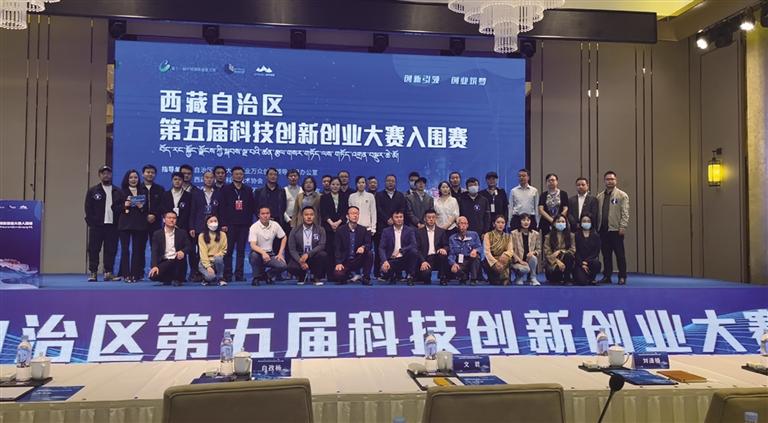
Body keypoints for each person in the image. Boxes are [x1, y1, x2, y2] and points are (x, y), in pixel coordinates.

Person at [85, 165, 123, 281]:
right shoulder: (93, 191)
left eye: (108, 173)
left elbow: (121, 208)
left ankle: (108, 272)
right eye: (103, 173)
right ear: (99, 175)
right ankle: (93, 272)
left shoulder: (118, 191)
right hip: (97, 226)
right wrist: (92, 222)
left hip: (112, 226)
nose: (106, 175)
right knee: (94, 249)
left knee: (111, 250)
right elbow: (88, 208)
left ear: (111, 175)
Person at [219, 166, 255, 282]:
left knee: (241, 251)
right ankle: (228, 274)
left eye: (241, 174)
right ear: (232, 176)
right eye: (236, 174)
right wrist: (223, 223)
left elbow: (251, 207)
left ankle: (239, 274)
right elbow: (222, 208)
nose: (239, 176)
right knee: (228, 251)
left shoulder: (248, 189)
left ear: (243, 175)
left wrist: (249, 223)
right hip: (229, 225)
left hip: (244, 225)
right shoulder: (226, 189)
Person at [596, 170, 630, 285]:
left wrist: (623, 226)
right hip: (603, 230)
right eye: (607, 179)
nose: (610, 181)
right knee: (606, 255)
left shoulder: (622, 195)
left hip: (616, 230)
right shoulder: (600, 196)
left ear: (616, 180)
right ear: (604, 181)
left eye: (612, 179)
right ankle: (607, 276)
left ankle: (622, 276)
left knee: (620, 255)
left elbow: (625, 212)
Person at [188, 170, 220, 282]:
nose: (209, 179)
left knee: (213, 250)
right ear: (203, 179)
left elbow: (221, 211)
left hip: (214, 226)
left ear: (214, 179)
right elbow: (192, 211)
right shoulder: (197, 193)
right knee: (198, 251)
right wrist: (191, 227)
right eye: (207, 177)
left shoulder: (218, 193)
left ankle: (213, 273)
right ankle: (196, 273)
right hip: (199, 226)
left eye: (211, 177)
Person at [117, 169, 148, 283]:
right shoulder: (121, 192)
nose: (133, 179)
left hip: (139, 225)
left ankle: (135, 274)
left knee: (137, 250)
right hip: (125, 225)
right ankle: (126, 274)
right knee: (125, 250)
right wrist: (124, 205)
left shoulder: (143, 191)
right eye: (131, 177)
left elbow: (147, 209)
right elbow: (114, 208)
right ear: (127, 179)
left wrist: (141, 207)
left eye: (135, 177)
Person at [375, 174, 407, 277]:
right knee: (382, 249)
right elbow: (378, 209)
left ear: (395, 183)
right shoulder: (379, 195)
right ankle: (380, 273)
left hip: (397, 226)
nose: (390, 183)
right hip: (382, 227)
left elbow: (402, 209)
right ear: (385, 182)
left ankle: (398, 273)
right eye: (388, 180)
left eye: (392, 181)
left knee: (397, 248)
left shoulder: (400, 195)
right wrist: (387, 219)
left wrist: (395, 219)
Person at [287, 206, 328, 286]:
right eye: (306, 215)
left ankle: (316, 277)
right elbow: (292, 249)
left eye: (311, 214)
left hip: (313, 257)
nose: (309, 217)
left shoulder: (320, 229)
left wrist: (308, 254)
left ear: (314, 216)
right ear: (302, 216)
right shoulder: (294, 230)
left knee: (323, 255)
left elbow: (321, 245)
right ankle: (301, 276)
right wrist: (300, 261)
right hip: (300, 257)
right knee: (291, 267)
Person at [332, 206, 373, 285]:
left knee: (369, 254)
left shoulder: (363, 229)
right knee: (338, 276)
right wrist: (338, 263)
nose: (355, 215)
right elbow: (337, 248)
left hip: (357, 259)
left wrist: (363, 247)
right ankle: (349, 275)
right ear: (347, 216)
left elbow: (369, 244)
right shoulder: (340, 230)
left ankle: (366, 278)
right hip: (345, 260)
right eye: (352, 213)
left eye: (357, 214)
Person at [148, 210, 191, 286]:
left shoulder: (182, 233)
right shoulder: (157, 234)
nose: (172, 220)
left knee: (177, 262)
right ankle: (169, 277)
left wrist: (183, 251)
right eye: (169, 218)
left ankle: (174, 278)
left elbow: (189, 246)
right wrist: (154, 266)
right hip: (164, 261)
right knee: (153, 276)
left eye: (174, 218)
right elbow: (154, 251)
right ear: (164, 220)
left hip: (177, 261)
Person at [248, 206, 287, 285]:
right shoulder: (254, 227)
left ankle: (266, 276)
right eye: (263, 214)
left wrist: (280, 253)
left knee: (283, 266)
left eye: (267, 213)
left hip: (270, 254)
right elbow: (253, 245)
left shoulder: (275, 224)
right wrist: (263, 253)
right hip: (257, 254)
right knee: (254, 256)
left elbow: (284, 237)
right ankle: (256, 277)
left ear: (270, 214)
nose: (265, 215)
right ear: (259, 215)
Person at [378, 210, 419, 285]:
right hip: (391, 259)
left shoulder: (409, 230)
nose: (399, 219)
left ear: (403, 218)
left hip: (404, 259)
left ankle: (410, 276)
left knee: (414, 252)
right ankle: (391, 275)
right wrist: (384, 261)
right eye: (396, 217)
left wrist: (401, 250)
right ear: (392, 219)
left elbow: (413, 244)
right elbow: (381, 248)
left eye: (401, 217)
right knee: (386, 271)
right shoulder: (386, 231)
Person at [319, 177, 348, 276]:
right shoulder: (324, 197)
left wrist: (338, 223)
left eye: (337, 184)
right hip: (328, 227)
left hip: (341, 227)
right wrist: (331, 223)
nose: (335, 186)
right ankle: (330, 274)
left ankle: (342, 272)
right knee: (329, 250)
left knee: (341, 249)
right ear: (329, 185)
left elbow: (345, 212)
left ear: (340, 186)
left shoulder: (345, 197)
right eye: (333, 184)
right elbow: (323, 213)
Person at [415, 209, 449, 285]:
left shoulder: (441, 231)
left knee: (443, 254)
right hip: (426, 258)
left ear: (436, 218)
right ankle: (426, 276)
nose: (431, 219)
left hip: (437, 257)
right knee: (425, 276)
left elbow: (446, 245)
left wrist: (444, 249)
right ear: (425, 219)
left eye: (433, 217)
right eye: (429, 217)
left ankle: (443, 277)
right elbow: (417, 249)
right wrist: (423, 261)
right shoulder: (419, 232)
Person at [447, 216, 483, 285]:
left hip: (471, 259)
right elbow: (451, 254)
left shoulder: (474, 235)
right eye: (461, 223)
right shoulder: (452, 238)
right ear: (457, 225)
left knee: (476, 257)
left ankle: (473, 279)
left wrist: (475, 250)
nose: (463, 225)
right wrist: (453, 263)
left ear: (468, 225)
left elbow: (480, 247)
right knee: (454, 269)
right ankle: (463, 276)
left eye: (465, 223)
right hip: (460, 260)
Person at [510, 213, 541, 285]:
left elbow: (538, 250)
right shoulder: (513, 233)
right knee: (523, 272)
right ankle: (519, 277)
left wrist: (533, 253)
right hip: (518, 261)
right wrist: (520, 261)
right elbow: (511, 250)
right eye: (523, 220)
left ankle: (532, 277)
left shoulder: (535, 234)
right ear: (520, 221)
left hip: (529, 259)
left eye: (528, 220)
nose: (526, 222)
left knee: (533, 258)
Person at [543, 215, 576, 284]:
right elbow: (547, 253)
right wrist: (557, 261)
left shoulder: (571, 236)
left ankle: (567, 278)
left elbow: (573, 250)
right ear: (554, 223)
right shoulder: (548, 236)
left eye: (563, 222)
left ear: (566, 223)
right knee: (555, 279)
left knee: (569, 256)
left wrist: (561, 251)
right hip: (553, 262)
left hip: (566, 260)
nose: (561, 223)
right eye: (558, 222)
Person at [482, 215, 513, 285]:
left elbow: (510, 250)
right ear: (494, 224)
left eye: (503, 223)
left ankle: (505, 278)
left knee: (508, 258)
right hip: (492, 260)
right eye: (498, 222)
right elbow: (487, 252)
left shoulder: (508, 236)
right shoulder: (488, 235)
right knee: (495, 282)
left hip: (503, 259)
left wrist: (505, 255)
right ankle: (498, 278)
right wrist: (495, 262)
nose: (500, 225)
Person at [198, 214, 227, 286]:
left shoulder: (223, 234)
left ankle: (220, 278)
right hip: (205, 262)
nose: (213, 223)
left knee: (218, 259)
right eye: (211, 221)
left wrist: (218, 255)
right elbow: (203, 253)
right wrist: (208, 266)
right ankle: (205, 278)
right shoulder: (201, 236)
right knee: (211, 277)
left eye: (215, 221)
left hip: (217, 260)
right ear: (207, 223)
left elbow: (224, 249)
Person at [141, 164, 165, 249]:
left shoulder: (160, 189)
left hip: (156, 222)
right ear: (143, 174)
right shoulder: (138, 188)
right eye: (148, 172)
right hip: (141, 223)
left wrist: (154, 215)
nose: (150, 174)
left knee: (156, 248)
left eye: (152, 172)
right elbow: (136, 206)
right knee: (139, 249)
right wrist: (146, 216)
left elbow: (162, 205)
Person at [574, 215, 601, 285]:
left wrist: (587, 262)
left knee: (596, 263)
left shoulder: (596, 236)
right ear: (580, 223)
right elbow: (575, 251)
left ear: (591, 223)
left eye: (588, 221)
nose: (586, 223)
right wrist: (582, 263)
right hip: (579, 262)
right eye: (584, 221)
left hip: (591, 261)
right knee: (582, 282)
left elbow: (596, 252)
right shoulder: (576, 235)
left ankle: (592, 278)